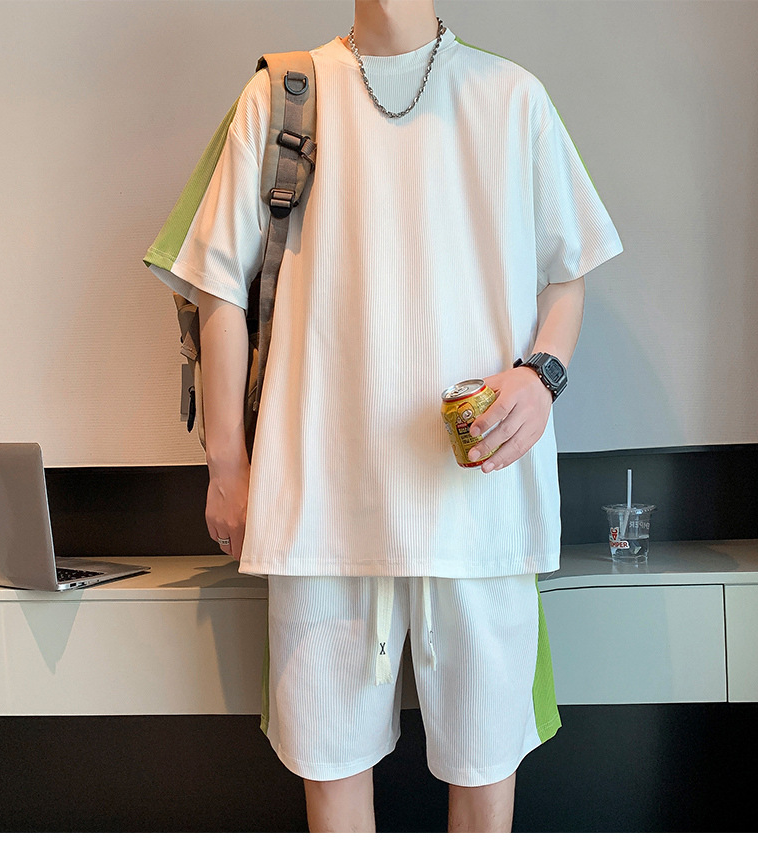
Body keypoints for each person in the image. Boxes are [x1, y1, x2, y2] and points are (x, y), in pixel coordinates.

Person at [144, 0, 623, 833]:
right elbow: (218, 284)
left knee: (485, 775)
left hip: (479, 499)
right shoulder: (283, 94)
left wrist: (541, 376)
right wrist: (227, 465)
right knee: (331, 772)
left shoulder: (513, 97)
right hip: (318, 500)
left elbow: (567, 269)